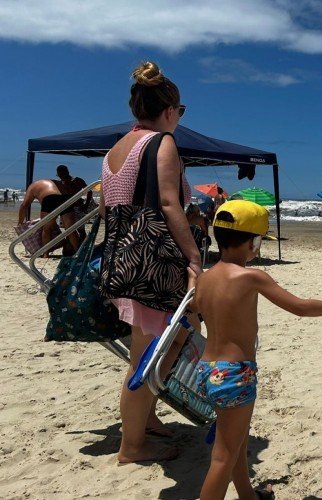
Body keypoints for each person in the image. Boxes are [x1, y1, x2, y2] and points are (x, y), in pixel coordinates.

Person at [191, 200, 322, 499]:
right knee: (223, 457)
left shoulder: (206, 278)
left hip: (207, 370)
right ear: (253, 242)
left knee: (237, 444)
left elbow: (195, 310)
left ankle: (249, 496)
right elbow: (299, 307)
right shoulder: (250, 276)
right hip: (235, 375)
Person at [100, 61, 200, 464]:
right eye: (181, 111)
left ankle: (148, 421)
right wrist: (193, 256)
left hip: (123, 259)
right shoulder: (162, 143)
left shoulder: (114, 150)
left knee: (151, 349)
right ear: (170, 109)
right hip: (152, 265)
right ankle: (132, 446)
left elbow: (109, 207)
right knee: (146, 358)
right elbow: (166, 201)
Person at [17, 178, 79, 257]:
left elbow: (24, 205)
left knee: (46, 229)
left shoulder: (32, 187)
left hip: (49, 199)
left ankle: (45, 254)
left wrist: (20, 222)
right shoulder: (54, 182)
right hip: (65, 198)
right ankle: (78, 252)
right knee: (71, 229)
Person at [55, 164, 93, 242]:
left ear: (67, 172)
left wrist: (86, 204)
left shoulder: (77, 180)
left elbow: (89, 191)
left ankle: (83, 247)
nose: (60, 177)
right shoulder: (60, 183)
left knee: (81, 229)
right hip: (65, 208)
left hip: (77, 207)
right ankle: (72, 247)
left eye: (61, 175)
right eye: (59, 175)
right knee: (68, 230)